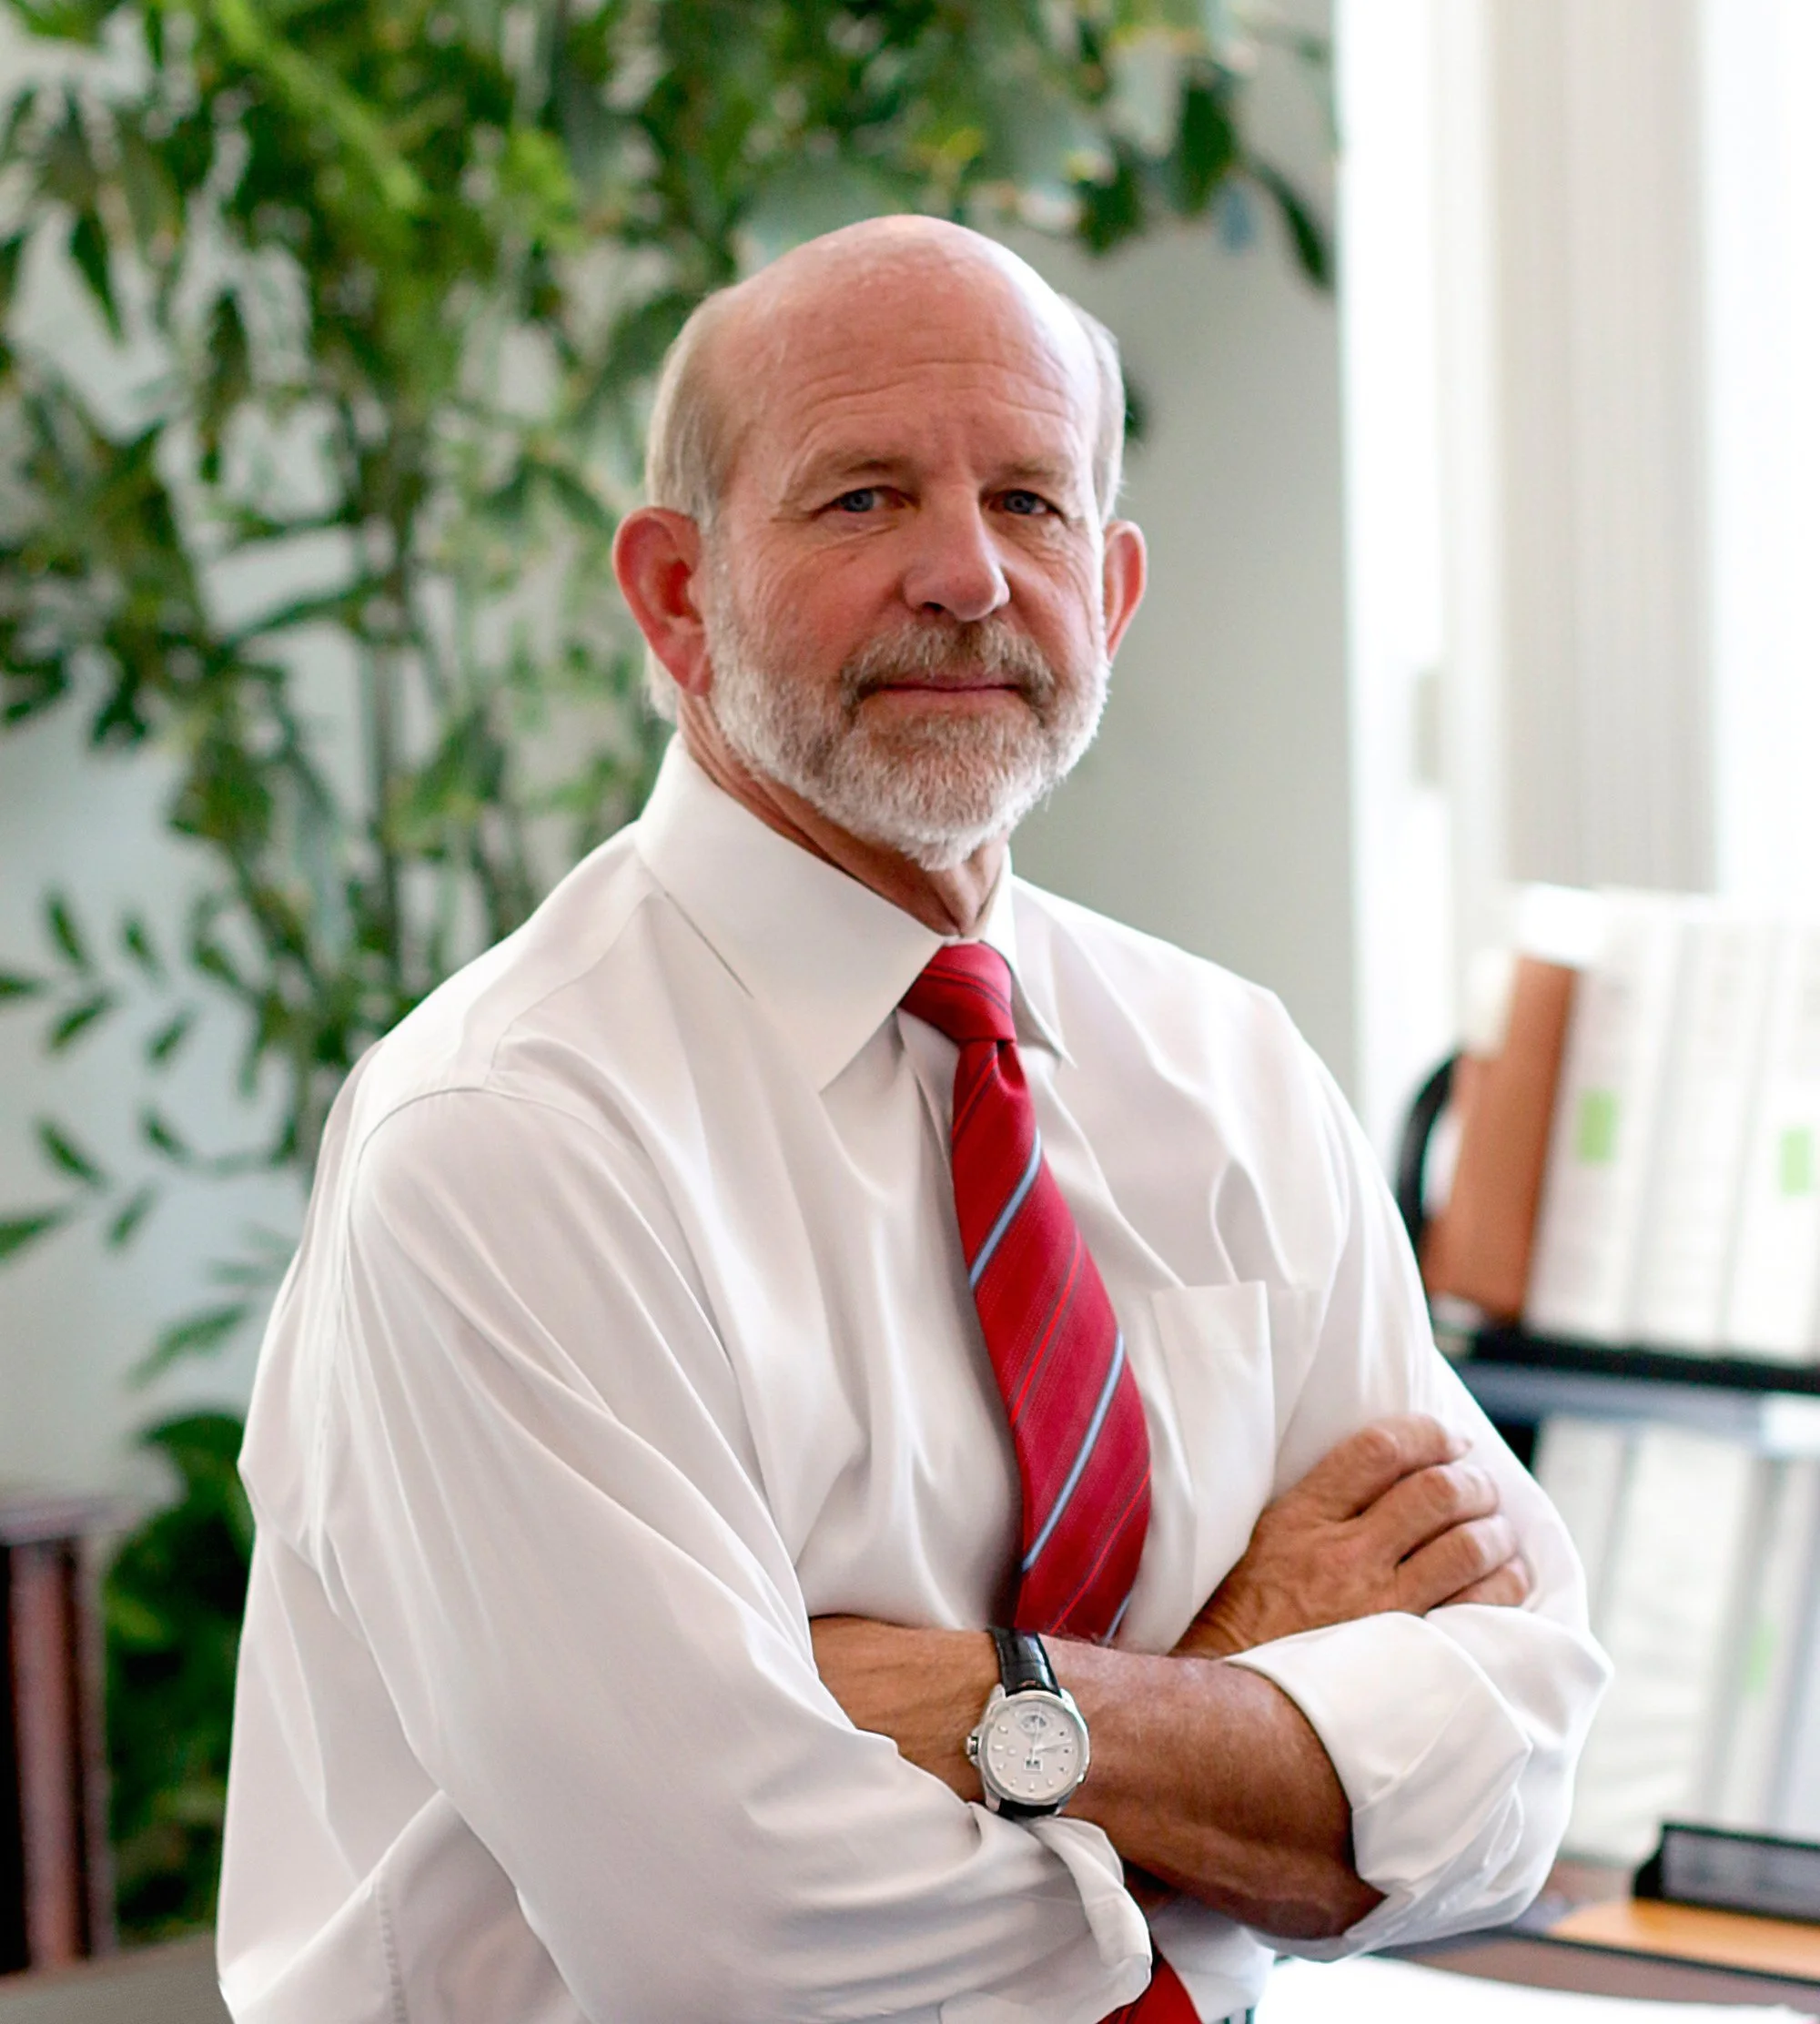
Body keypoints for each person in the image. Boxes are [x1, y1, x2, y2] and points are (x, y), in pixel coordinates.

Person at [217, 217, 1608, 2024]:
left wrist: (999, 1707)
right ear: (674, 593)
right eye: (863, 497)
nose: (962, 572)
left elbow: (1510, 1763)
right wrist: (1254, 1751)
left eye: (1028, 502)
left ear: (1107, 595)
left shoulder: (1231, 1066)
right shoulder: (504, 1141)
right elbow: (743, 1936)